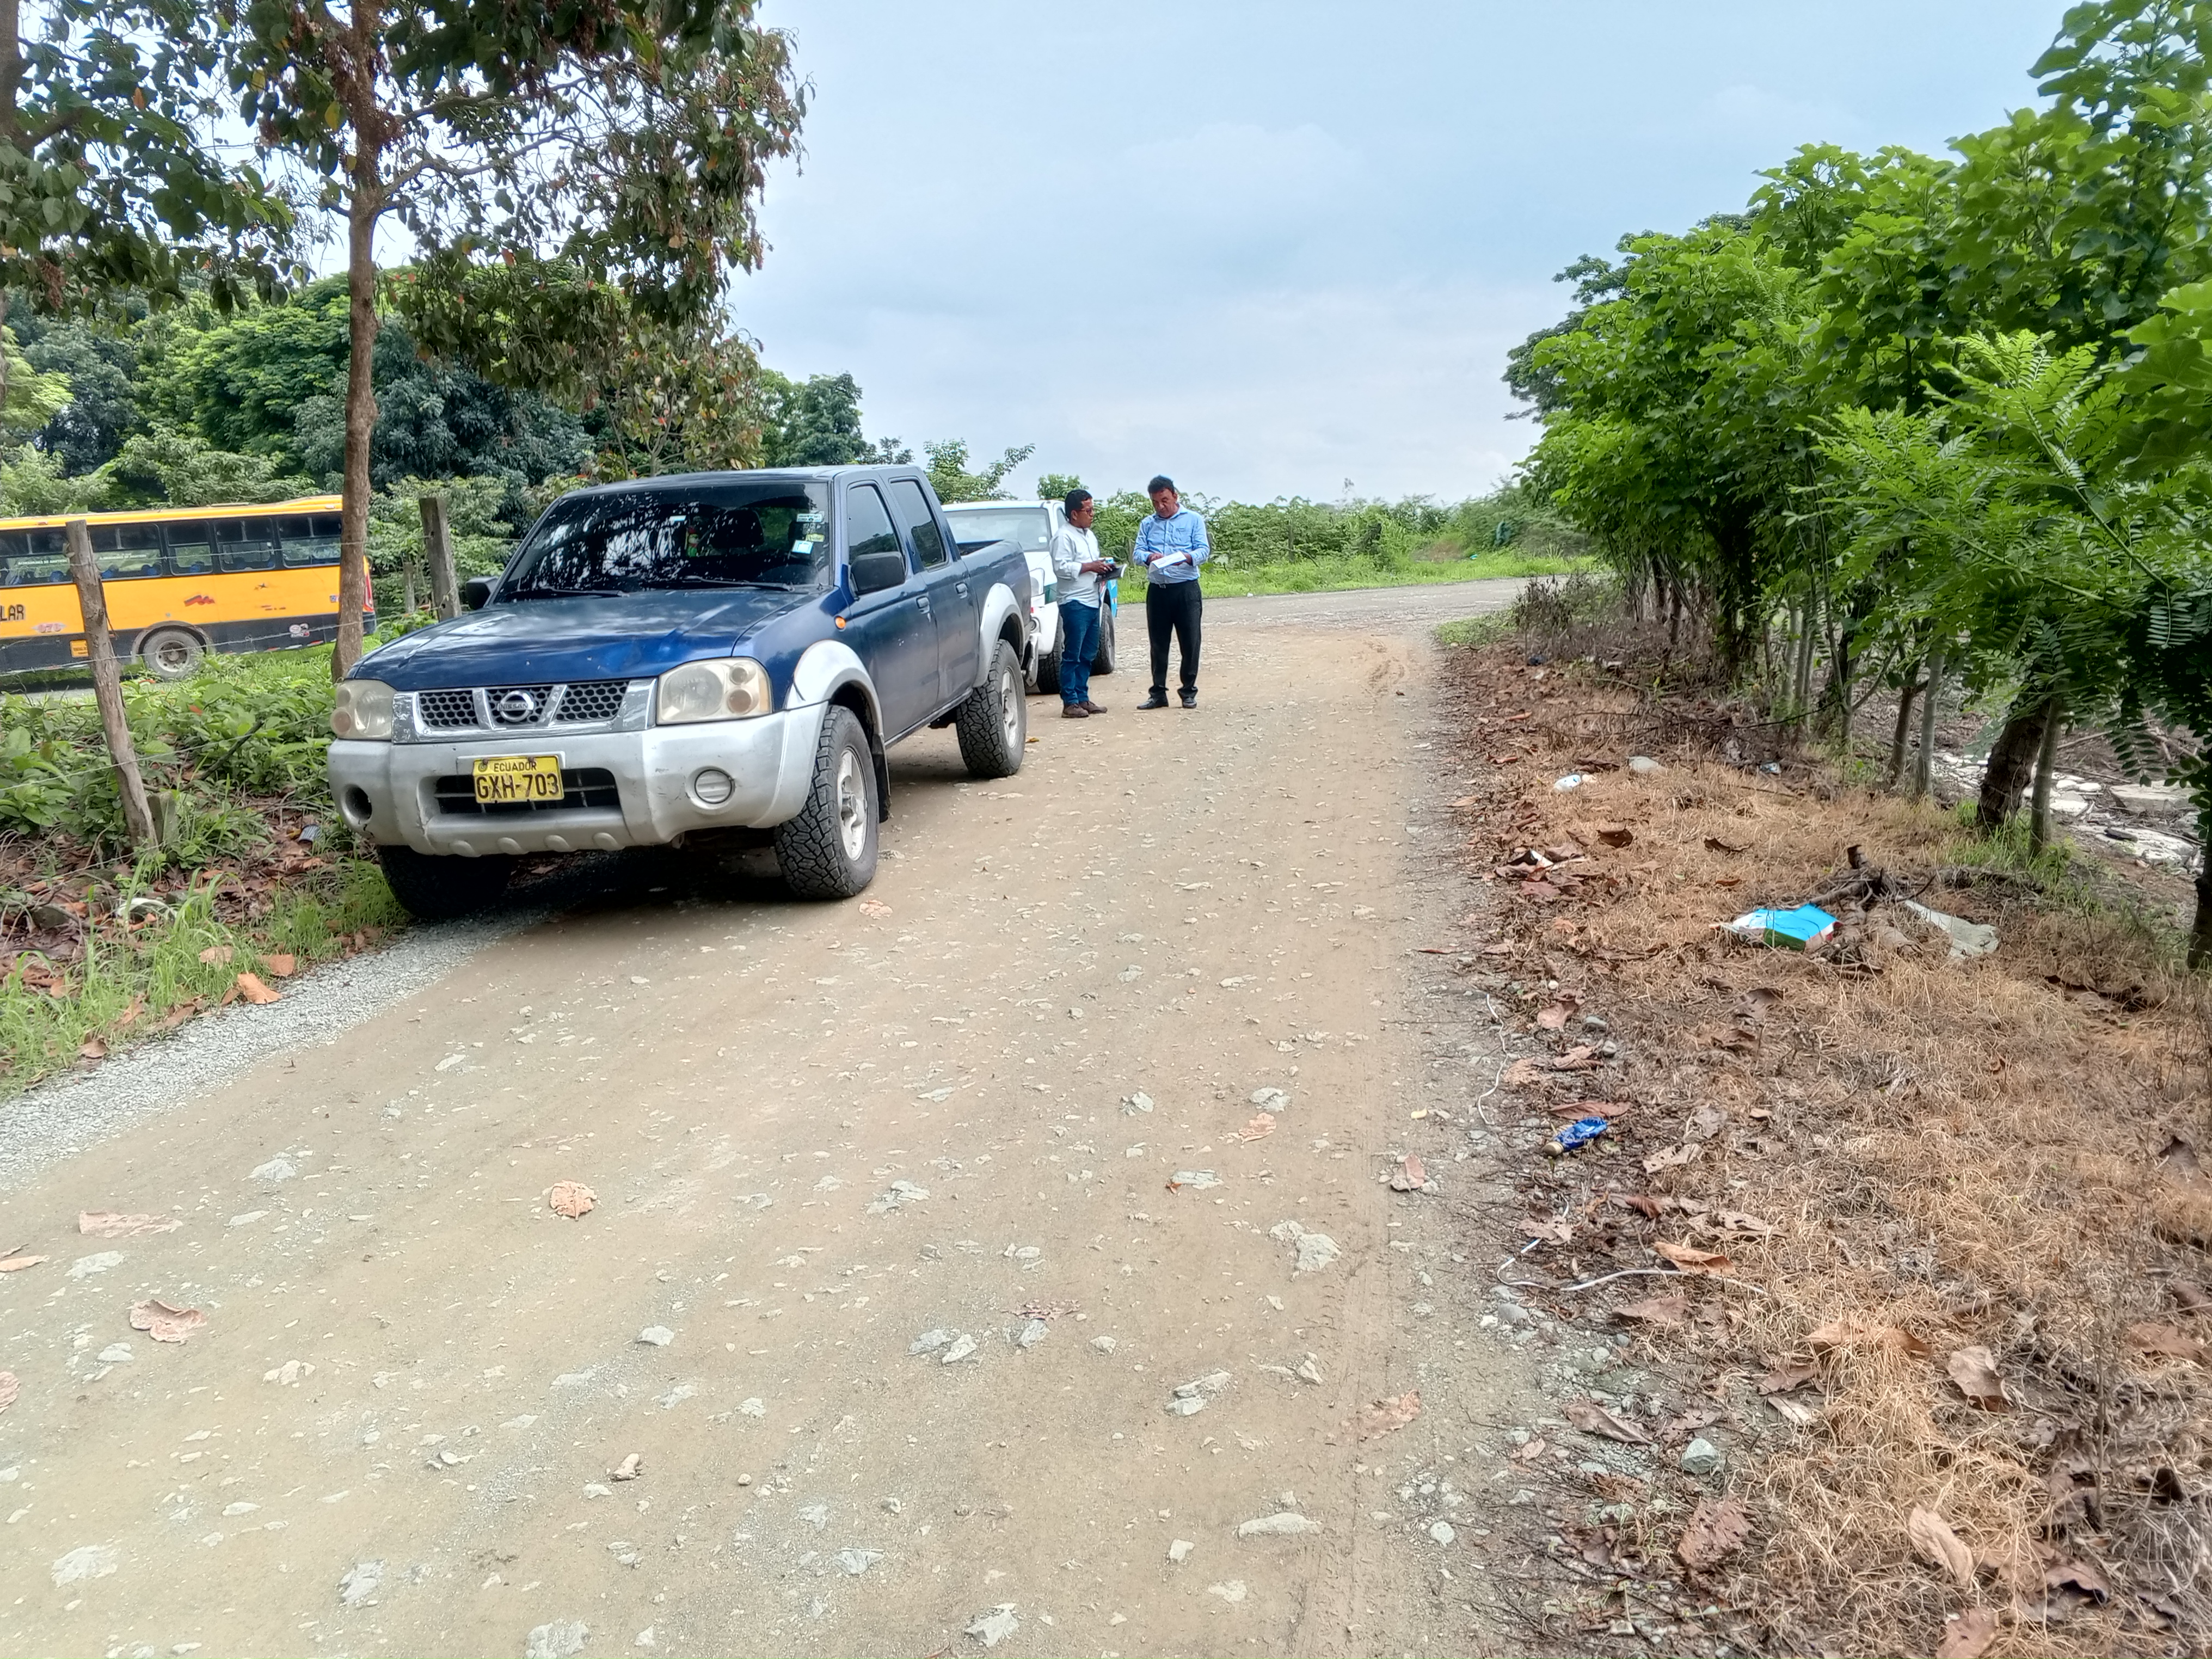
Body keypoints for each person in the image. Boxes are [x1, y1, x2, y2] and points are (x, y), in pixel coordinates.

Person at [1132, 475, 1208, 708]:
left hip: (1186, 590)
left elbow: (1203, 550)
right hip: (1158, 590)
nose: (1160, 507)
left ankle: (1188, 692)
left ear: (1175, 496)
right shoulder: (1147, 524)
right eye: (1155, 502)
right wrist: (1149, 557)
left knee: (1190, 642)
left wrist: (1186, 557)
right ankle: (1158, 694)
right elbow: (1137, 553)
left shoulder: (1194, 519)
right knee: (1158, 644)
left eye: (1164, 500)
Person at [1047, 488, 1114, 718]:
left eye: (1093, 510)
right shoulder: (1063, 537)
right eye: (1088, 511)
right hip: (1075, 601)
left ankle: (1083, 697)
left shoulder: (1089, 536)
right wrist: (1089, 567)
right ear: (1074, 514)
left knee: (1088, 653)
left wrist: (1102, 568)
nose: (1092, 515)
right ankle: (1070, 701)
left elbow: (1091, 564)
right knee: (1073, 654)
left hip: (1093, 600)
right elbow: (1061, 568)